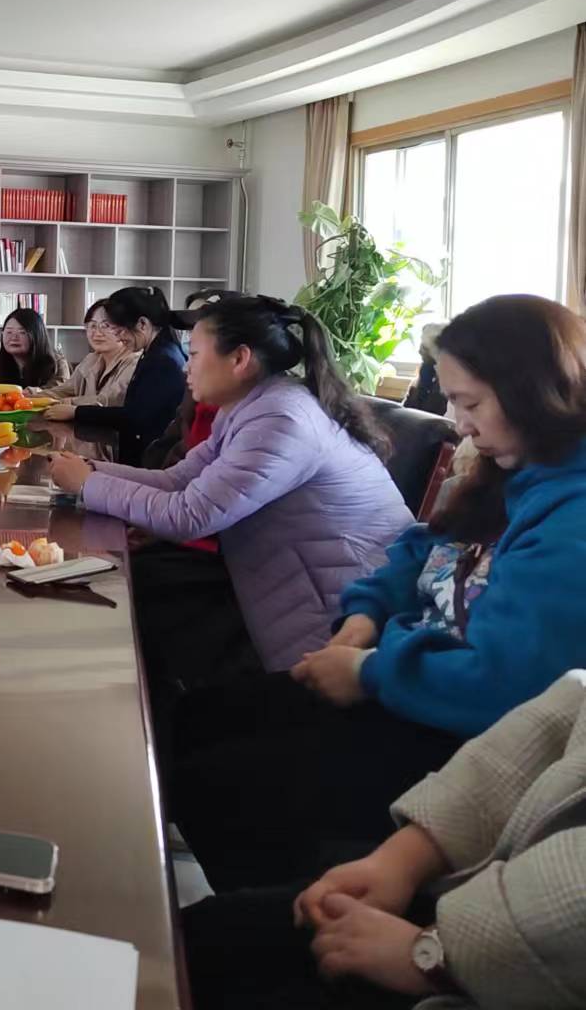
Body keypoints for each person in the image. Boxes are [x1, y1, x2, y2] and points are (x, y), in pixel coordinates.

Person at [162, 295, 586, 892]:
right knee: (194, 720)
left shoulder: (571, 517)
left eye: (470, 404)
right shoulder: (509, 473)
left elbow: (507, 687)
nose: (461, 423)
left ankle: (294, 909)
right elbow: (419, 551)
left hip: (461, 735)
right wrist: (364, 619)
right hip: (404, 680)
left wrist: (369, 673)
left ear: (534, 393)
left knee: (218, 780)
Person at [50, 295, 411, 693]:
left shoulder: (282, 419)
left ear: (239, 359)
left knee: (139, 605)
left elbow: (190, 515)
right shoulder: (251, 407)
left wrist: (87, 484)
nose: (185, 366)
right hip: (284, 587)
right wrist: (91, 470)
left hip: (338, 621)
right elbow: (178, 480)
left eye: (195, 354)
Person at [182, 669, 586, 1010]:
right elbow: (562, 713)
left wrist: (438, 954)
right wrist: (402, 859)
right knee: (206, 942)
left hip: (512, 958)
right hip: (489, 910)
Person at [44, 286, 185, 463]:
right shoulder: (155, 352)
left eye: (120, 330)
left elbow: (134, 417)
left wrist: (76, 412)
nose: (119, 337)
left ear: (142, 324)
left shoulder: (162, 360)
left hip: (149, 460)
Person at [146, 288, 241, 468]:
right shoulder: (194, 384)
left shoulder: (247, 408)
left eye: (201, 326)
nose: (191, 336)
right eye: (189, 329)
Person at [51, 300, 141, 407]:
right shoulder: (91, 359)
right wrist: (34, 397)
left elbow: (113, 400)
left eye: (106, 325)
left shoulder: (134, 361)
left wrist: (70, 403)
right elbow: (64, 390)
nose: (97, 333)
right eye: (93, 325)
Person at [0, 307, 70, 388]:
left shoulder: (57, 363)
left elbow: (59, 392)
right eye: (9, 332)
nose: (14, 337)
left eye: (22, 332)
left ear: (37, 335)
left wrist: (31, 393)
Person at [402, 323, 448, 416]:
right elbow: (405, 410)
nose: (419, 351)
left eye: (425, 348)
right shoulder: (424, 375)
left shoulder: (451, 386)